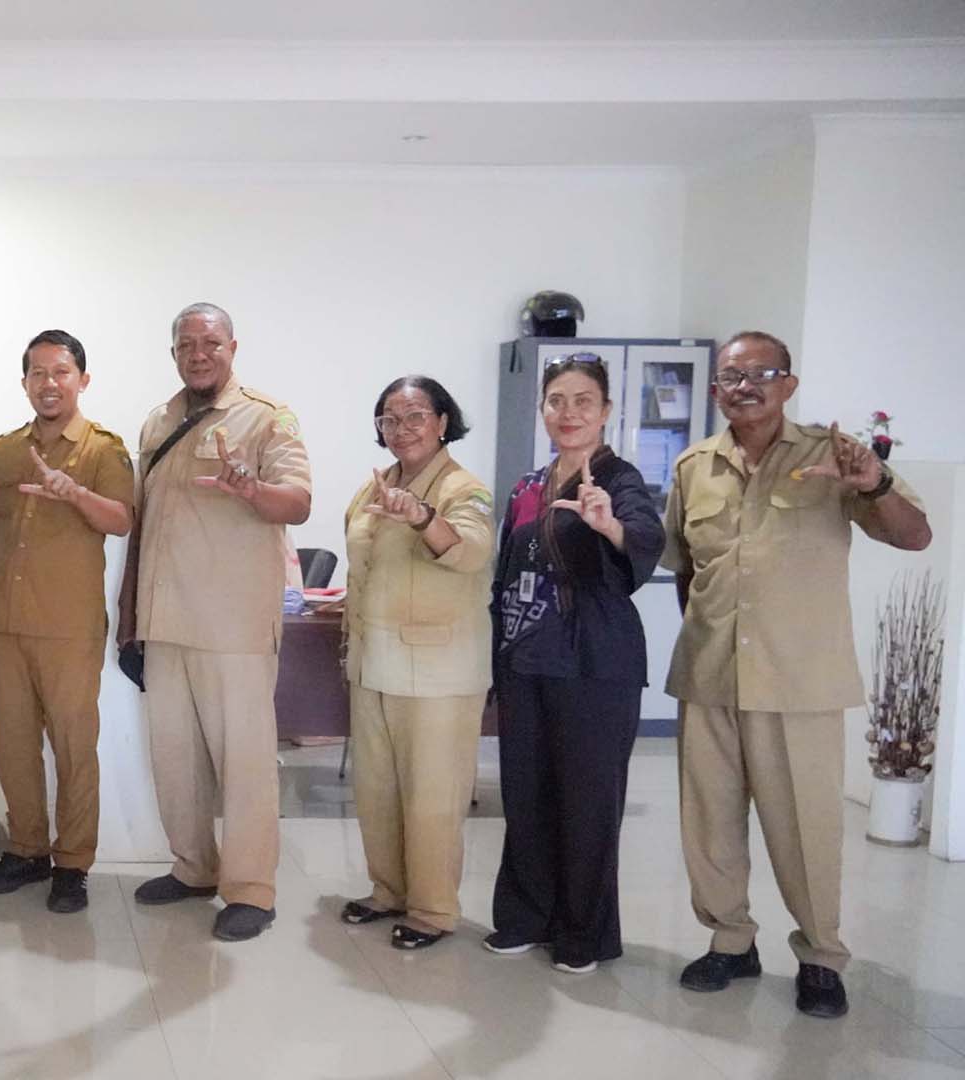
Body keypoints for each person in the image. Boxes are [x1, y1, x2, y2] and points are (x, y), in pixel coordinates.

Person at [663, 330, 930, 1018]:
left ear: (789, 384)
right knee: (709, 825)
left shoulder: (835, 457)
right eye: (732, 376)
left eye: (762, 373)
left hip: (800, 681)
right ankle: (730, 941)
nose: (745, 386)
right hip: (710, 675)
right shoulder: (694, 466)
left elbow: (914, 536)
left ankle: (820, 955)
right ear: (716, 389)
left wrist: (876, 484)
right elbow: (687, 570)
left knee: (806, 829)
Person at [116, 302, 311, 942]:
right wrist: (129, 615)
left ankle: (251, 888)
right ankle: (194, 867)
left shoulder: (266, 417)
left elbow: (299, 502)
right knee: (175, 761)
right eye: (186, 345)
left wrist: (253, 489)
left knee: (245, 764)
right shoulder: (158, 421)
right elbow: (143, 523)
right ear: (173, 352)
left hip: (233, 624)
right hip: (166, 619)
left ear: (232, 347)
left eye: (211, 343)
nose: (198, 354)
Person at [484, 354, 666, 973]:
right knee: (526, 795)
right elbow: (506, 574)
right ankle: (525, 917)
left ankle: (583, 933)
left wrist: (609, 526)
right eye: (556, 400)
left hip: (594, 665)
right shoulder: (526, 487)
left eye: (583, 400)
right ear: (542, 409)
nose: (569, 412)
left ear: (606, 411)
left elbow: (644, 538)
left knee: (587, 802)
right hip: (526, 661)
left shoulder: (618, 479)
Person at [0, 330, 134, 914]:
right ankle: (27, 848)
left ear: (82, 380)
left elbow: (121, 520)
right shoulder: (4, 450)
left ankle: (73, 862)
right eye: (37, 373)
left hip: (68, 627)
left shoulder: (103, 449)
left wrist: (76, 494)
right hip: (3, 623)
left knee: (72, 747)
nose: (49, 383)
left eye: (61, 372)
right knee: (12, 745)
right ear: (24, 382)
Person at [340, 375, 494, 951]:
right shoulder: (374, 486)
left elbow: (471, 551)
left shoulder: (463, 488)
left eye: (415, 417)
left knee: (432, 797)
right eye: (390, 419)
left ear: (442, 422)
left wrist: (424, 518)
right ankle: (388, 891)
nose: (401, 429)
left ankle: (432, 909)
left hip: (437, 674)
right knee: (377, 791)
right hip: (373, 663)